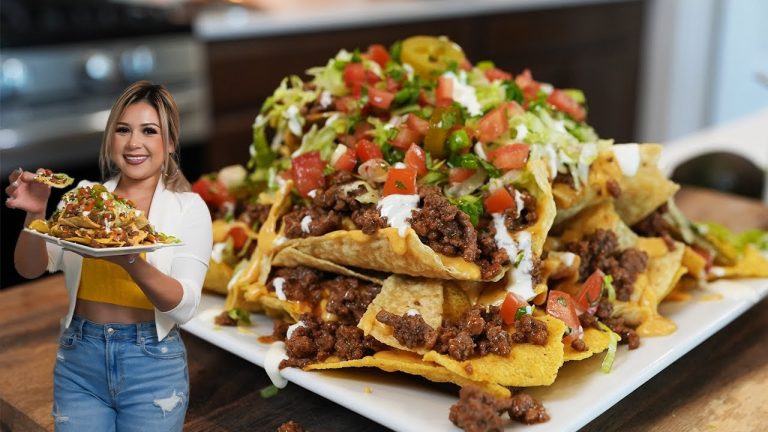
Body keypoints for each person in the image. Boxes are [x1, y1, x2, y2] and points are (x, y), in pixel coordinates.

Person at [5, 81, 212, 432]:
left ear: (170, 142)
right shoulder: (84, 198)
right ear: (111, 137)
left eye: (149, 131)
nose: (134, 143)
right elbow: (29, 268)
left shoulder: (188, 209)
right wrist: (35, 214)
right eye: (123, 130)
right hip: (79, 361)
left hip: (153, 365)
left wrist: (130, 260)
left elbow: (184, 306)